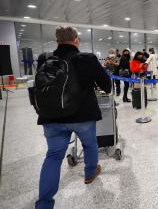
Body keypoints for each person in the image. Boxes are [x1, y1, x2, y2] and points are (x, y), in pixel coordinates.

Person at [35, 26, 111, 209]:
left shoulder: (45, 59)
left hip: (51, 117)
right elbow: (107, 86)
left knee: (53, 156)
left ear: (57, 41)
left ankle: (44, 204)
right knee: (90, 144)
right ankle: (90, 173)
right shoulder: (87, 59)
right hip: (82, 116)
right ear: (76, 40)